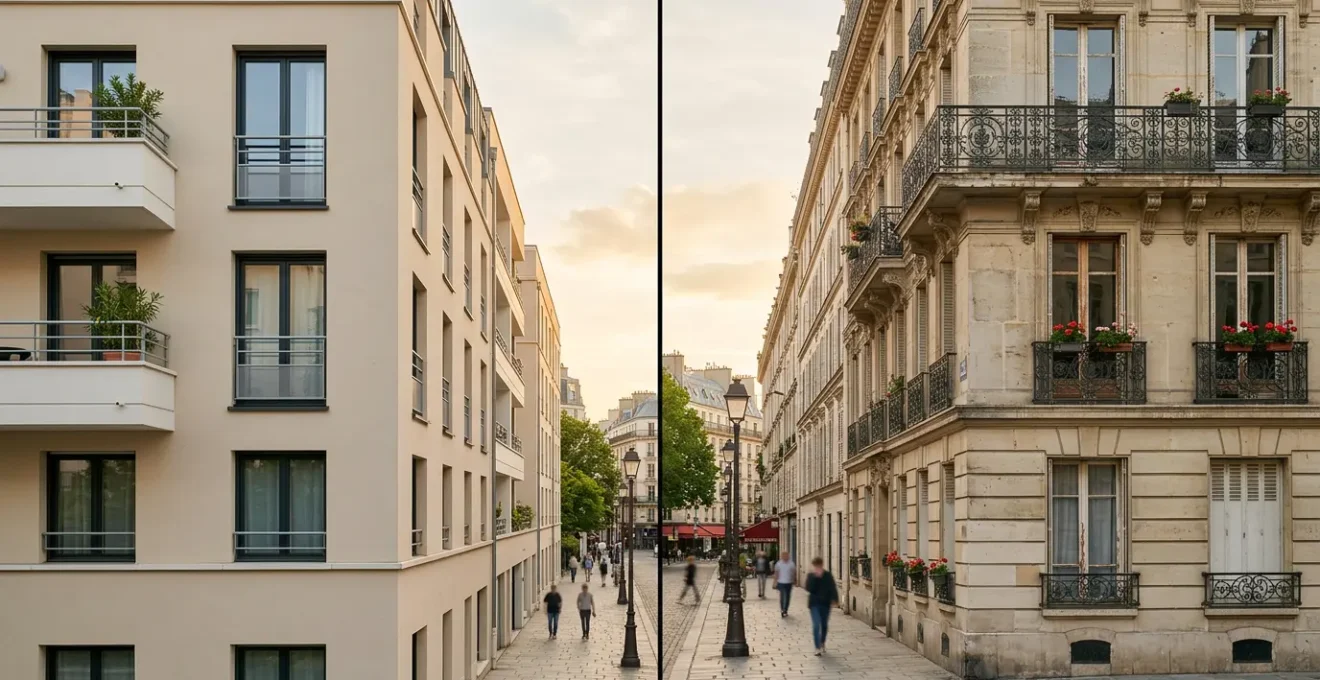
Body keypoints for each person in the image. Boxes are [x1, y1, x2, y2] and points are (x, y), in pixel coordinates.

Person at [804, 557, 839, 655]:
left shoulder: (827, 575)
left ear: (822, 565)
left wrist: (835, 599)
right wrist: (815, 578)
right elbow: (808, 588)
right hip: (814, 604)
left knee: (824, 624)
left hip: (825, 604)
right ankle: (817, 647)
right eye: (816, 565)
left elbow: (832, 587)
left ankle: (822, 642)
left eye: (819, 565)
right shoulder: (811, 575)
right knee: (816, 625)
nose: (817, 567)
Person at [773, 551, 796, 617]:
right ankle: (783, 609)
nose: (785, 557)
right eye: (784, 555)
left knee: (788, 596)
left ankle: (785, 609)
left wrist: (795, 581)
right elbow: (776, 573)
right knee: (783, 596)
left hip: (789, 583)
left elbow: (794, 573)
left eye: (786, 555)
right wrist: (775, 582)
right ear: (782, 556)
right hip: (781, 582)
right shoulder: (778, 564)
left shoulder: (791, 564)